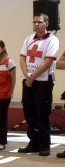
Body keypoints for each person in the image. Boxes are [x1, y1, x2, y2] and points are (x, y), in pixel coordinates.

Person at [19, 14, 59, 156]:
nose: (36, 24)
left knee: (42, 113)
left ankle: (44, 145)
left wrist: (34, 76)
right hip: (28, 80)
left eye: (40, 22)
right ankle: (34, 142)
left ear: (46, 23)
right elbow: (22, 58)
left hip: (43, 81)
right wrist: (27, 76)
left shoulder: (52, 40)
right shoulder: (29, 39)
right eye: (34, 22)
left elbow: (48, 61)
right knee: (29, 113)